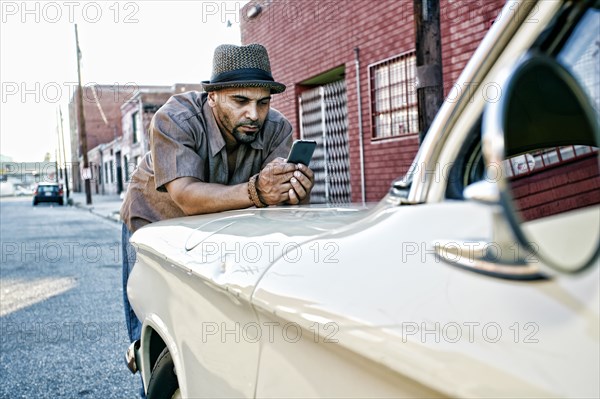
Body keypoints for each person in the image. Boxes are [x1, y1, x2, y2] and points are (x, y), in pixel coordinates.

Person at [120, 43, 314, 348]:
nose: (254, 114)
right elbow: (186, 196)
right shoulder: (175, 118)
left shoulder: (277, 128)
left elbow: (274, 207)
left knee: (208, 327)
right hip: (152, 224)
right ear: (212, 97)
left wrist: (293, 193)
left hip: (217, 230)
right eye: (240, 101)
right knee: (152, 329)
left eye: (263, 103)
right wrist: (258, 191)